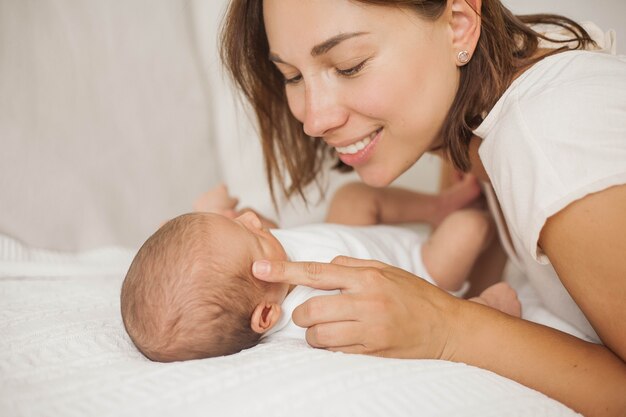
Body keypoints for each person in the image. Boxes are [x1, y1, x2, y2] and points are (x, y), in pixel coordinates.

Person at [219, 0, 626, 415]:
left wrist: (445, 326)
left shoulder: (551, 140)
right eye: (291, 75)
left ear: (460, 26)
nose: (314, 119)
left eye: (349, 65)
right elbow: (469, 278)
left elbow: (449, 311)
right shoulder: (472, 117)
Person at [120, 182, 520, 361]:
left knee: (351, 196)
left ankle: (437, 205)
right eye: (253, 238)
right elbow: (385, 326)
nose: (252, 221)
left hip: (349, 234)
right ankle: (480, 301)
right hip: (419, 268)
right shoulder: (311, 315)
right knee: (470, 229)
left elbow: (246, 230)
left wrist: (213, 215)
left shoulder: (248, 265)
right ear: (266, 315)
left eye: (240, 222)